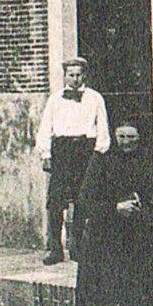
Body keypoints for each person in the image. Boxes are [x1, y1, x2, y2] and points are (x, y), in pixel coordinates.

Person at [73, 118, 153, 306]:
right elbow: (85, 202)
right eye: (121, 137)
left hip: (145, 237)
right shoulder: (102, 161)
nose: (126, 142)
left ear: (140, 137)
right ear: (115, 136)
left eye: (131, 137)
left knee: (149, 301)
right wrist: (115, 207)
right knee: (115, 299)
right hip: (110, 239)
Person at [35, 56, 110, 265]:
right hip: (62, 151)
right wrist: (46, 154)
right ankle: (55, 249)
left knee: (82, 199)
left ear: (84, 75)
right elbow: (45, 128)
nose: (75, 79)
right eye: (71, 75)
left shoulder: (95, 98)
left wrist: (99, 154)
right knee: (56, 202)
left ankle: (77, 246)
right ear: (65, 76)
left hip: (85, 151)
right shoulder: (55, 99)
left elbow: (102, 128)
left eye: (79, 75)